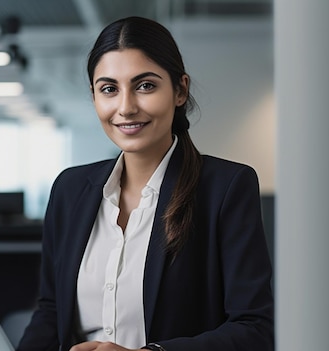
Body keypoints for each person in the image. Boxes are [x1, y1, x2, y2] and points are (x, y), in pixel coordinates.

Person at [17, 16, 274, 351]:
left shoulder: (225, 188)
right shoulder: (70, 188)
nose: (126, 107)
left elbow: (255, 329)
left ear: (180, 90)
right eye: (109, 89)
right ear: (94, 96)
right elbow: (52, 312)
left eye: (145, 86)